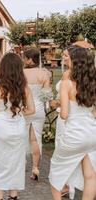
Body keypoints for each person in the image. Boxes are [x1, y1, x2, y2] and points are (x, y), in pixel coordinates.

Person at [49, 47, 96, 200]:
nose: (65, 60)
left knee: (55, 174)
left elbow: (64, 114)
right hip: (92, 134)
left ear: (75, 61)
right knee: (90, 175)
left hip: (74, 135)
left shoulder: (67, 83)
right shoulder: (93, 83)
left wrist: (58, 105)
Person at [0, 53, 35, 200]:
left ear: (3, 68)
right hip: (18, 128)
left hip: (1, 128)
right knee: (16, 163)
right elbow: (32, 110)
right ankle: (13, 197)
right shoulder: (25, 88)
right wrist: (19, 110)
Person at [23, 48, 52, 181]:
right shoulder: (44, 74)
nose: (23, 60)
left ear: (30, 59)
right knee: (36, 139)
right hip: (39, 110)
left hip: (25, 109)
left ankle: (20, 164)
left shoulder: (21, 73)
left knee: (21, 138)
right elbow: (47, 95)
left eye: (25, 57)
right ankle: (35, 168)